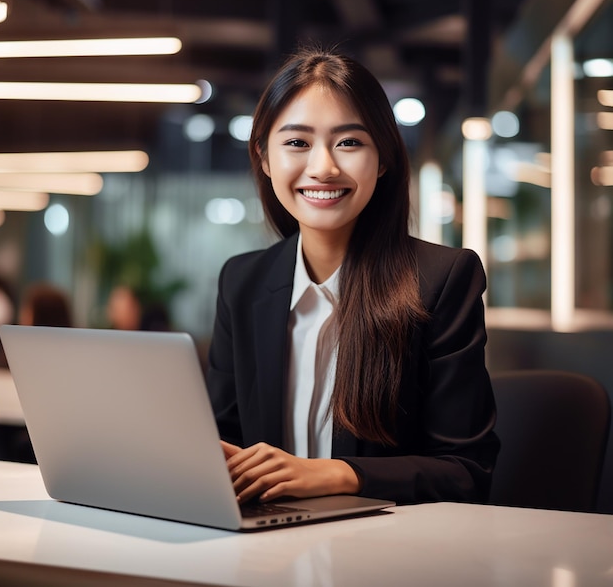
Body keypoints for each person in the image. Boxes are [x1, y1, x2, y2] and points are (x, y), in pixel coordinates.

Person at [205, 47, 500, 507]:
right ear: (264, 157)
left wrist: (336, 475)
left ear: (382, 159)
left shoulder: (443, 280)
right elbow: (222, 440)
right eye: (297, 143)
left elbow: (466, 473)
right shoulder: (241, 282)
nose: (323, 167)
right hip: (262, 550)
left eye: (349, 142)